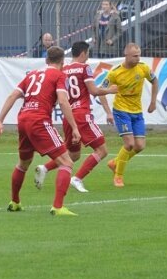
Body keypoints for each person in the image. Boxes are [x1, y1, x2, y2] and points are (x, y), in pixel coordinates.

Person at [0, 46, 81, 216]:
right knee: (67, 162)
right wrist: (75, 127)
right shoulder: (59, 75)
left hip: (23, 119)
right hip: (39, 119)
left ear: (46, 60)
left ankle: (15, 202)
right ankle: (58, 207)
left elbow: (12, 96)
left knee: (23, 163)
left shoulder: (32, 74)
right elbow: (63, 101)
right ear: (62, 62)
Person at [35, 41, 117, 193]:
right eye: (87, 54)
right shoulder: (85, 68)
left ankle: (44, 168)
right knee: (102, 150)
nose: (87, 57)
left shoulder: (63, 69)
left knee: (73, 154)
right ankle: (77, 178)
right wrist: (110, 90)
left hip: (69, 117)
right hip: (81, 114)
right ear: (83, 53)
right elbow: (93, 91)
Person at [104, 43, 157, 187]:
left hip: (137, 112)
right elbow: (101, 90)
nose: (138, 58)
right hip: (121, 111)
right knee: (129, 144)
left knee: (139, 146)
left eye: (139, 55)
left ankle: (115, 162)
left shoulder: (143, 67)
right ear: (126, 55)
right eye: (135, 56)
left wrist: (153, 102)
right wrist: (108, 112)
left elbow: (155, 80)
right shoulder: (115, 72)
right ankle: (118, 176)